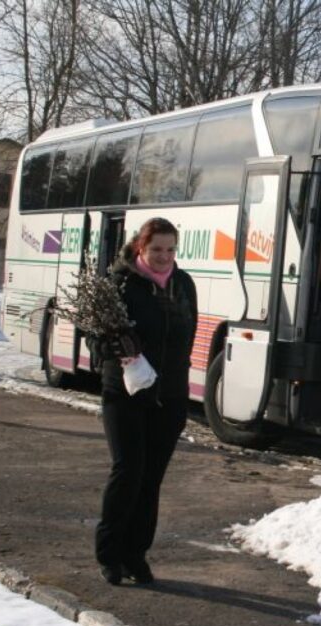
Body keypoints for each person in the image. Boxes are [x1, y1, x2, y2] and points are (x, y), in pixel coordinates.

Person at [91, 218, 197, 585]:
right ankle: (109, 554)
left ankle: (136, 555)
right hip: (124, 395)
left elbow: (187, 338)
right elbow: (95, 342)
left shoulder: (183, 285)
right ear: (140, 248)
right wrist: (113, 347)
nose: (164, 257)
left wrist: (180, 391)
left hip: (169, 398)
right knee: (128, 471)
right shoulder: (119, 285)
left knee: (151, 480)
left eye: (170, 249)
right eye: (156, 250)